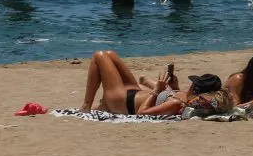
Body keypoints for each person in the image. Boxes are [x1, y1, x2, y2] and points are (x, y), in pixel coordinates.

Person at [79, 50, 220, 116]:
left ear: (195, 88)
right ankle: (104, 106)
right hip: (134, 91)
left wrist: (156, 91)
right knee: (110, 54)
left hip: (124, 101)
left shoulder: (177, 103)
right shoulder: (186, 97)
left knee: (99, 56)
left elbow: (142, 113)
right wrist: (174, 87)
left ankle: (86, 106)